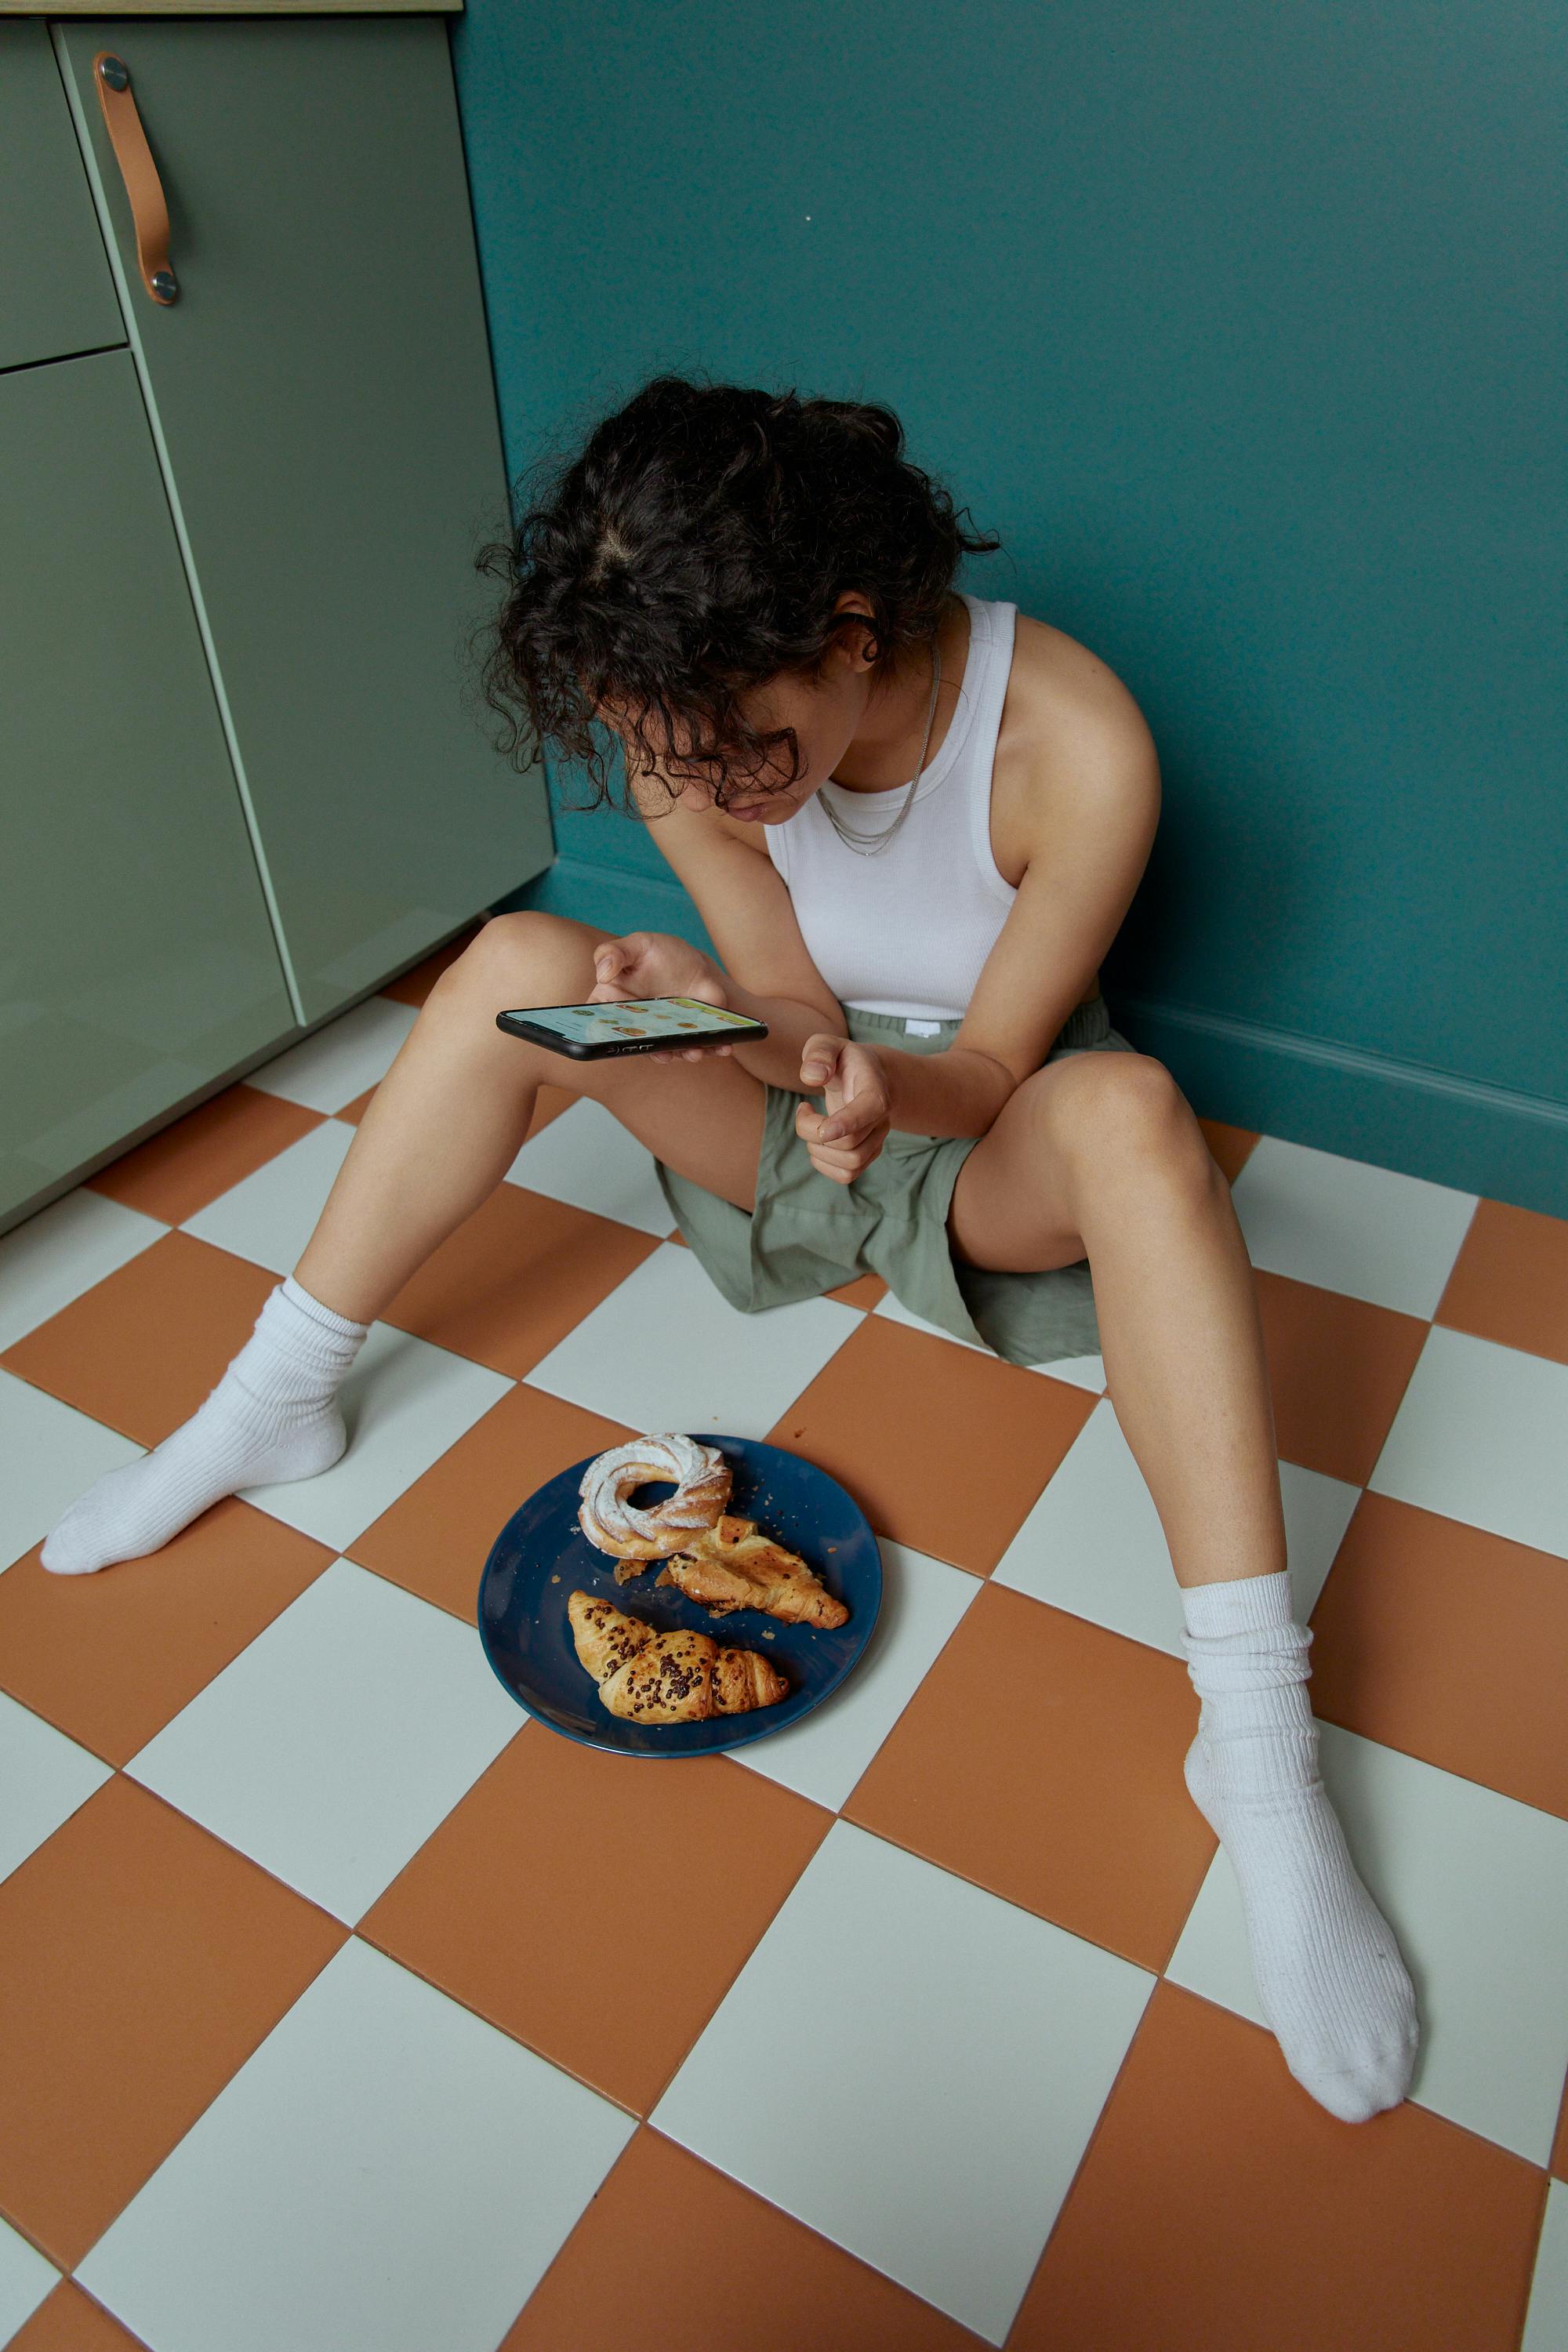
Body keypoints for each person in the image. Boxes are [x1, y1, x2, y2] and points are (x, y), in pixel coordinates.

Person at [42, 376, 1417, 2122]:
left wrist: (877, 1084)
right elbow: (785, 1004)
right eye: (660, 755)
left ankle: (1258, 1749)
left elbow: (994, 1073)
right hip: (791, 1109)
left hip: (979, 1131)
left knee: (1139, 1120)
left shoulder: (1076, 745)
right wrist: (717, 1008)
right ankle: (274, 1398)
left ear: (849, 632)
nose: (697, 787)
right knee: (516, 966)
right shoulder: (678, 719)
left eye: (734, 748)